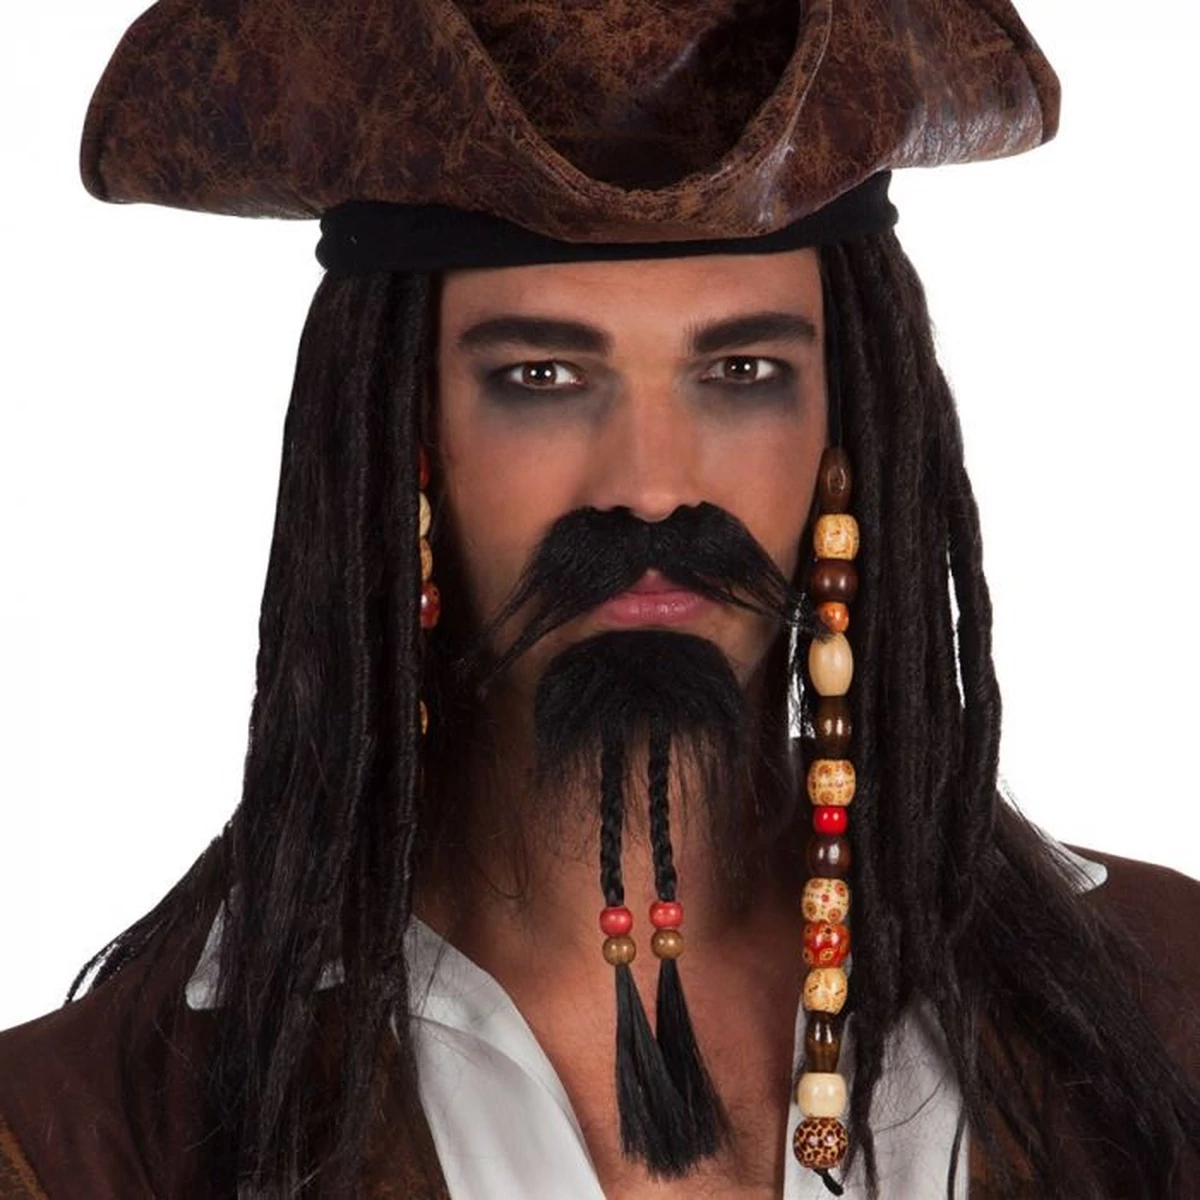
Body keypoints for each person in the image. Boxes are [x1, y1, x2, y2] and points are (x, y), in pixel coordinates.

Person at [2, 1, 1198, 1197]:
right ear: (397, 437)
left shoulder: (1162, 1002)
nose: (651, 484)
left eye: (742, 372)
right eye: (543, 375)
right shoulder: (87, 1136)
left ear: (852, 426)